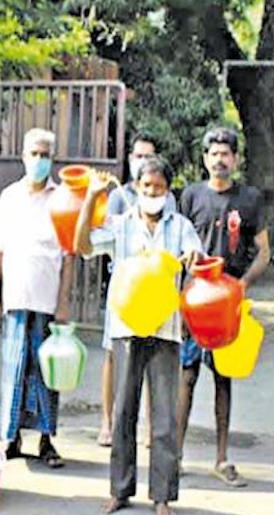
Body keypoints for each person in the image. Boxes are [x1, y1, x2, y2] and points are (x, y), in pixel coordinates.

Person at [75, 156, 203, 515]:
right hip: (126, 328)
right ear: (136, 187)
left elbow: (197, 264)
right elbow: (83, 246)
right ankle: (120, 489)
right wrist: (90, 199)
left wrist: (192, 261)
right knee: (123, 412)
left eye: (159, 188)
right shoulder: (120, 224)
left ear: (168, 191)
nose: (152, 193)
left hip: (166, 329)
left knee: (163, 417)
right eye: (146, 187)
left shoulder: (181, 227)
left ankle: (162, 495)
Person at [176, 127, 270, 487]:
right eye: (213, 153)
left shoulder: (249, 199)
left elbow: (264, 250)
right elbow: (176, 245)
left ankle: (221, 458)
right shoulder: (190, 195)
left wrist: (243, 285)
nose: (219, 159)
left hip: (228, 301)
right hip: (195, 298)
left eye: (226, 153)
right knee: (186, 376)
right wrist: (180, 295)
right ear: (204, 159)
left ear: (236, 158)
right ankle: (177, 457)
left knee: (223, 378)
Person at [0, 128, 73, 468]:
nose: (39, 160)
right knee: (14, 368)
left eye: (45, 154)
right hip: (16, 299)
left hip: (48, 301)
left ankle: (47, 440)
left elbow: (68, 257)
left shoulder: (62, 199)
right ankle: (12, 436)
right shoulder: (9, 197)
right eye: (33, 153)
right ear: (23, 155)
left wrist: (64, 303)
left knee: (47, 371)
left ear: (53, 158)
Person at [97, 132, 176, 447]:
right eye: (137, 156)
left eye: (148, 156)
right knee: (113, 357)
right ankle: (107, 421)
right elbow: (103, 233)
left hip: (153, 294)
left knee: (147, 360)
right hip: (123, 291)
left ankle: (146, 427)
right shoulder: (120, 195)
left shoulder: (166, 200)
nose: (141, 161)